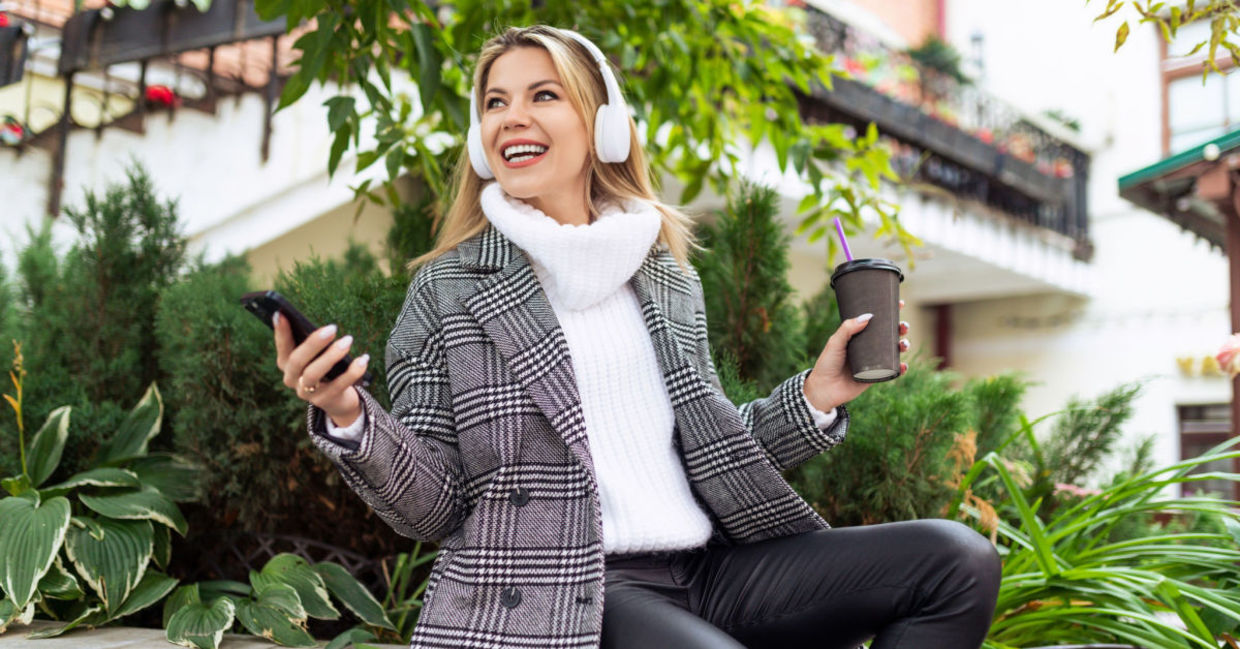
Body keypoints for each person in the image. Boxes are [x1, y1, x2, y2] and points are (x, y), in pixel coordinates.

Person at [272, 25, 1000, 649]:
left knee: (957, 560)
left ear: (604, 127)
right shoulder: (449, 289)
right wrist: (351, 418)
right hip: (572, 589)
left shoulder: (662, 273)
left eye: (542, 95)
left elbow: (700, 449)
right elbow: (435, 507)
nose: (510, 118)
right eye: (495, 103)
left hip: (707, 570)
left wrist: (817, 395)